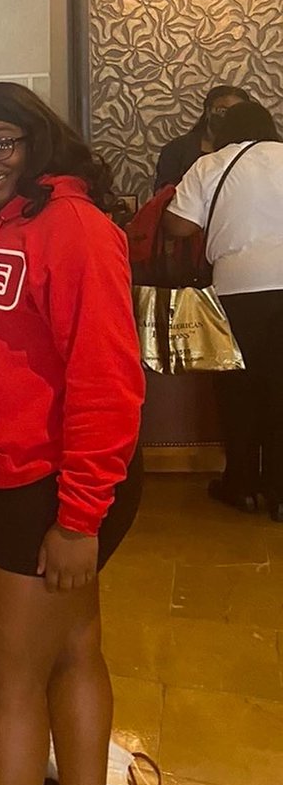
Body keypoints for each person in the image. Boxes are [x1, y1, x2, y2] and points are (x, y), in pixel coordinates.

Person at [0, 81, 144, 785]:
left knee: (7, 675)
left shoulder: (72, 226)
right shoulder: (4, 228)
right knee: (73, 650)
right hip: (29, 478)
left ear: (36, 143)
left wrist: (80, 517)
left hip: (58, 483)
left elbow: (107, 377)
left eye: (1, 143)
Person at [164, 102, 283, 520]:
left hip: (237, 289)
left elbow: (179, 225)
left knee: (238, 390)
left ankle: (242, 485)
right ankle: (280, 494)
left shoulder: (210, 164)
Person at [154, 84, 249, 190]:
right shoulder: (177, 149)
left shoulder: (250, 151)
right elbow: (163, 192)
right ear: (208, 111)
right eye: (222, 110)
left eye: (237, 112)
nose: (230, 116)